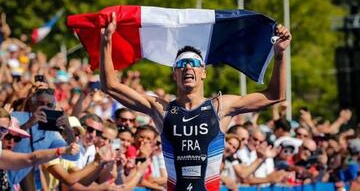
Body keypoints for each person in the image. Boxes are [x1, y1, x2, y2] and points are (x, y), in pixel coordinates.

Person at [100, 12, 291, 191]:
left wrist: (279, 54)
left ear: (203, 73)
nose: (188, 67)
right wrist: (106, 42)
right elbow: (110, 86)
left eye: (195, 63)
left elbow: (275, 95)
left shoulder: (220, 107)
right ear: (175, 74)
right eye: (182, 64)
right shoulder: (162, 110)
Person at [0, 107, 79, 170]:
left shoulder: (53, 135)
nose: (11, 141)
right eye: (8, 137)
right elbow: (31, 159)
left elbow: (74, 156)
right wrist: (63, 150)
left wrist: (68, 129)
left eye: (17, 138)